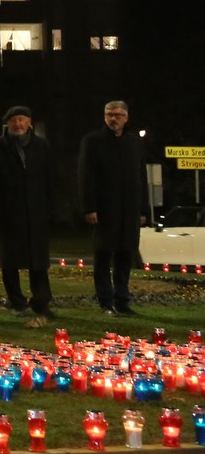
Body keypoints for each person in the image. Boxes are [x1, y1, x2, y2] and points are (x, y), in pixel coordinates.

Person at [0, 104, 56, 326]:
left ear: (30, 123)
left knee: (39, 261)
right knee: (10, 261)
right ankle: (17, 302)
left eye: (22, 119)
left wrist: (50, 208)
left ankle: (41, 301)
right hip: (8, 212)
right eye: (14, 120)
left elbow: (49, 179)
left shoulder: (41, 146)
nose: (18, 124)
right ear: (7, 123)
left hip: (36, 211)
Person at [78, 100, 148, 316]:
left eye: (118, 115)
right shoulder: (92, 141)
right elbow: (85, 176)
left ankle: (122, 299)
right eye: (109, 115)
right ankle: (105, 301)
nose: (113, 119)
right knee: (103, 254)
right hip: (105, 209)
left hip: (129, 210)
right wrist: (89, 207)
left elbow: (141, 177)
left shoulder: (133, 142)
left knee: (126, 254)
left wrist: (143, 209)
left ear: (126, 117)